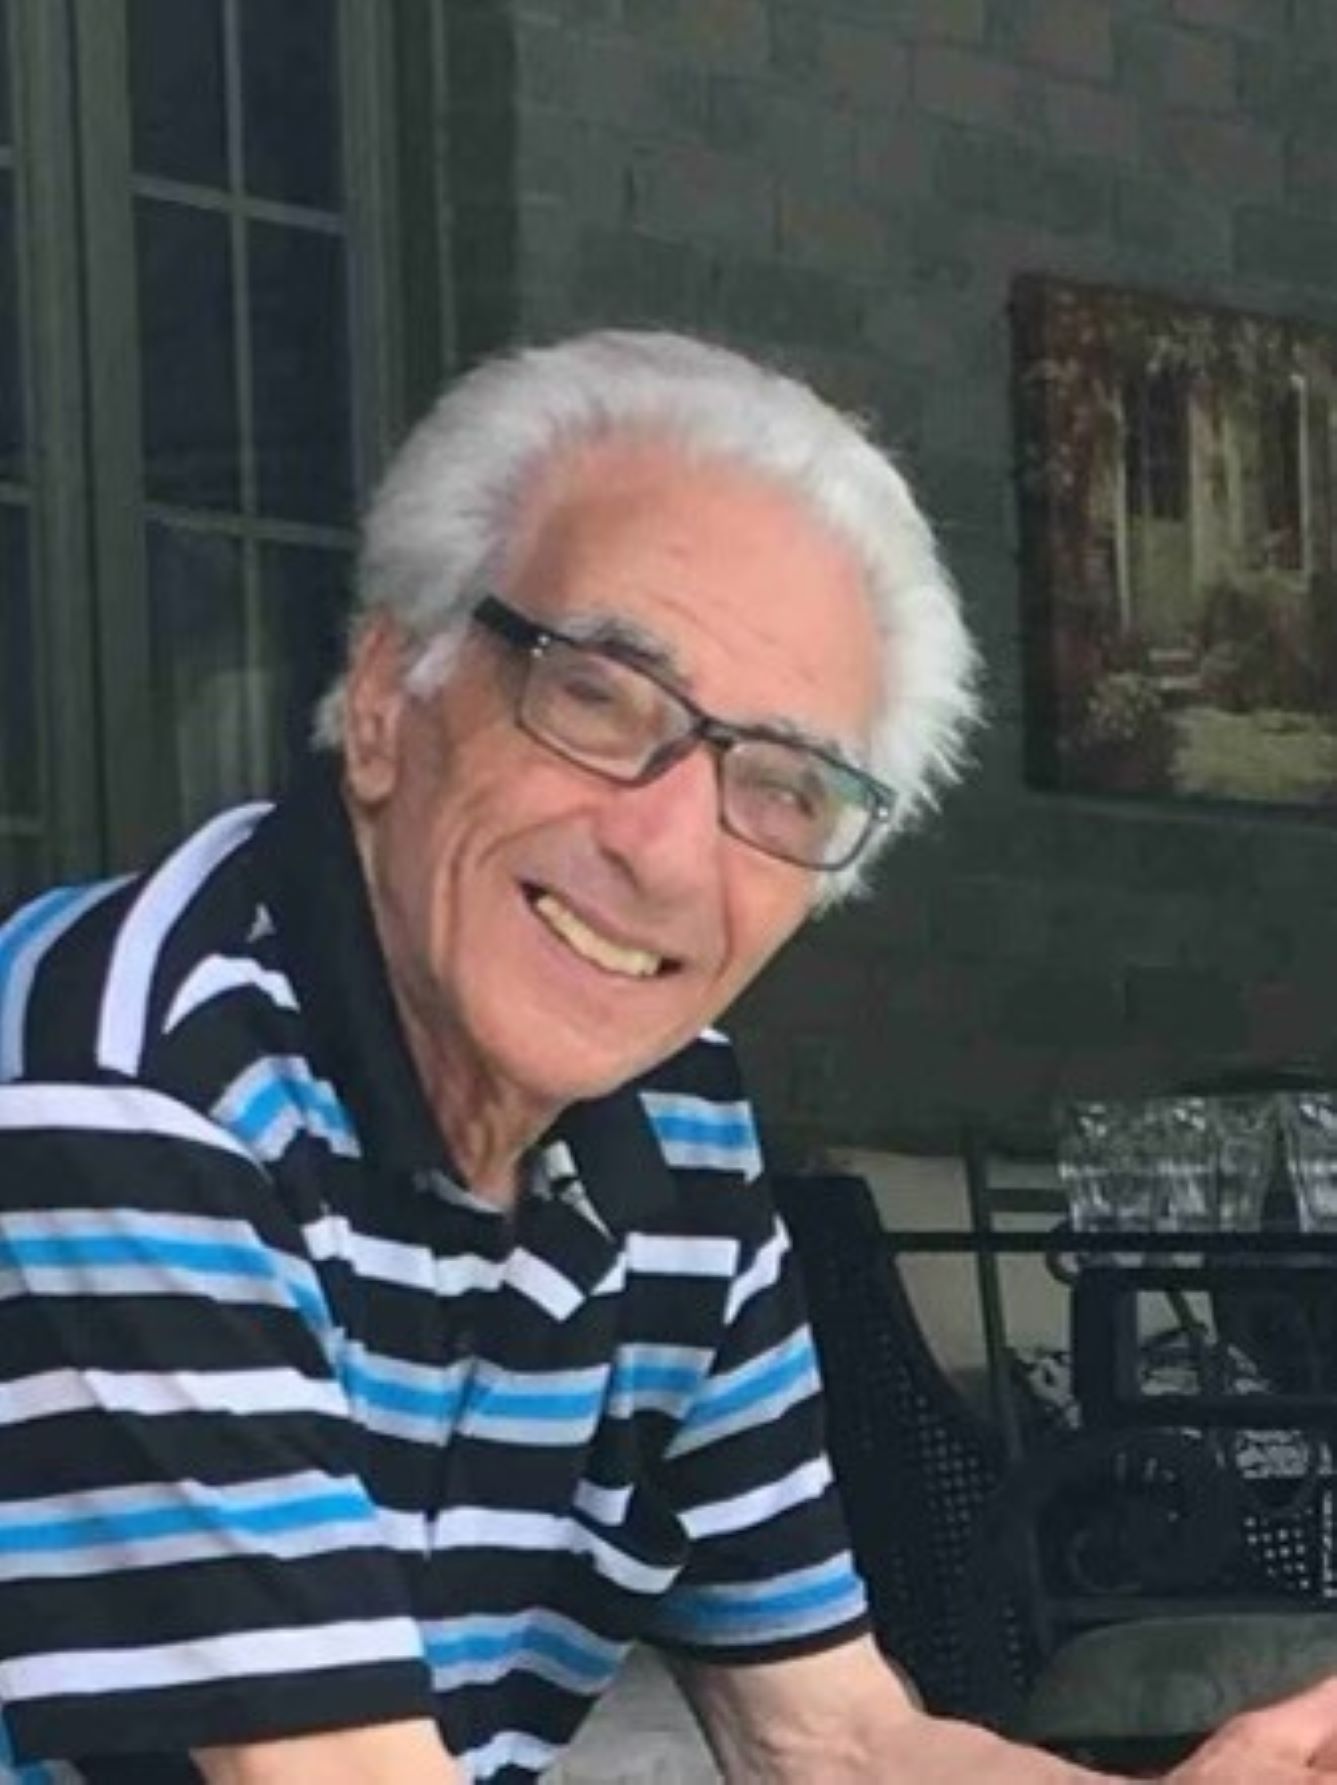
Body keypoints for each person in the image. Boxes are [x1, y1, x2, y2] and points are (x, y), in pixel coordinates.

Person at [0, 330, 1335, 1785]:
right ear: (385, 694)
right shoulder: (127, 1076)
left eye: (783, 784)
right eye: (595, 696)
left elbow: (830, 1738)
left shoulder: (675, 1117)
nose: (666, 851)